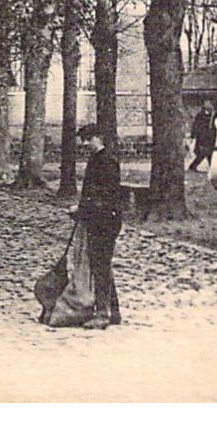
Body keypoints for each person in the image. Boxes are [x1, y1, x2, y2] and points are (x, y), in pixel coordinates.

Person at [71, 123, 122, 328]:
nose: (84, 143)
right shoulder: (96, 159)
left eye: (87, 139)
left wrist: (82, 210)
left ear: (98, 138)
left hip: (105, 220)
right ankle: (114, 311)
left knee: (100, 265)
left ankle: (102, 314)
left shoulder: (107, 161)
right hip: (97, 218)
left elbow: (105, 195)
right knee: (102, 264)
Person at [188, 99, 217, 172]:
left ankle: (194, 166)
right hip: (202, 137)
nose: (209, 105)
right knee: (205, 153)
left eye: (210, 103)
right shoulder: (200, 115)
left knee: (207, 153)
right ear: (204, 105)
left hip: (212, 137)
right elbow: (195, 125)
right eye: (207, 103)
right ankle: (194, 166)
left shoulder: (215, 115)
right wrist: (193, 135)